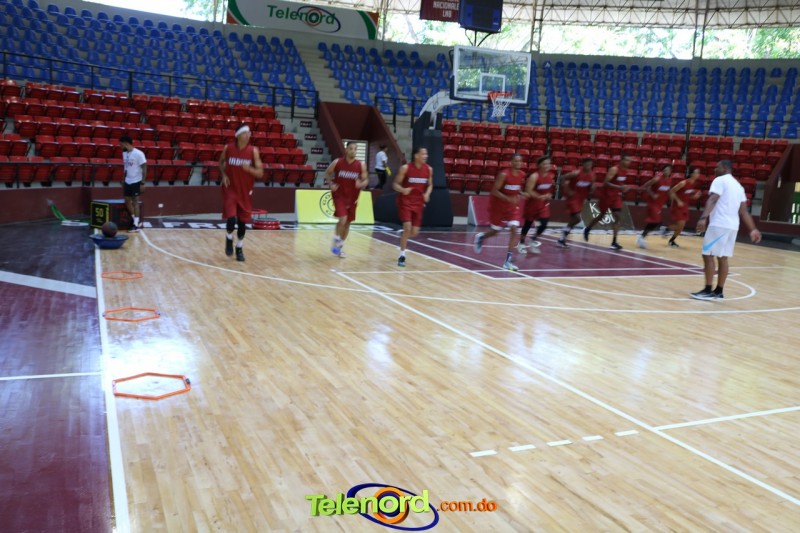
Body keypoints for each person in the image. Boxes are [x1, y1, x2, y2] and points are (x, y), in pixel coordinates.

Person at [691, 160, 761, 300]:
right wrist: (753, 229)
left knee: (708, 255)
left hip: (719, 224)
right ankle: (719, 291)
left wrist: (703, 217)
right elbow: (744, 212)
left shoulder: (719, 180)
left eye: (717, 167)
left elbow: (713, 199)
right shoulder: (738, 186)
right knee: (723, 258)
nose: (715, 169)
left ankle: (707, 290)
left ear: (724, 168)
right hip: (732, 226)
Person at [473, 154, 526, 271]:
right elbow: (495, 191)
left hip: (512, 207)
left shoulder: (522, 174)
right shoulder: (504, 174)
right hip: (498, 206)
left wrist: (521, 193)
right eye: (516, 161)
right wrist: (508, 198)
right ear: (511, 162)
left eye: (520, 161)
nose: (518, 163)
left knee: (514, 229)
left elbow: (517, 188)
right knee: (496, 231)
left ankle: (508, 261)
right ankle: (481, 237)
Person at [219, 124, 264, 262]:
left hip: (245, 191)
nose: (248, 135)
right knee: (231, 219)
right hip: (230, 189)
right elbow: (220, 163)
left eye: (249, 133)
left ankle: (239, 247)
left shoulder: (253, 151)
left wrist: (249, 169)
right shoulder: (228, 148)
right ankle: (228, 238)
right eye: (245, 133)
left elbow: (260, 173)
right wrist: (224, 175)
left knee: (242, 223)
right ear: (238, 135)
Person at [325, 141, 369, 258]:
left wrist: (361, 184)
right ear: (346, 150)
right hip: (339, 196)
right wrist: (330, 183)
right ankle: (336, 239)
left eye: (355, 149)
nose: (353, 151)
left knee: (347, 223)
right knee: (343, 219)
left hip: (353, 198)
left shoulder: (361, 165)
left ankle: (339, 247)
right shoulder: (337, 162)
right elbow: (327, 173)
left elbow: (366, 180)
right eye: (351, 148)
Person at [393, 147, 433, 267]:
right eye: (423, 154)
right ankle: (402, 256)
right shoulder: (405, 168)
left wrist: (427, 193)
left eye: (426, 154)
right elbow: (395, 184)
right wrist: (403, 190)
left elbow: (430, 185)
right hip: (405, 202)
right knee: (407, 227)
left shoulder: (429, 169)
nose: (426, 156)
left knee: (414, 232)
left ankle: (403, 236)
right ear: (416, 155)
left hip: (419, 203)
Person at [583, 154, 632, 250]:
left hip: (616, 196)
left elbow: (619, 182)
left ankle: (614, 241)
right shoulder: (614, 169)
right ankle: (588, 228)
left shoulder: (626, 171)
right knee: (601, 216)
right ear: (621, 160)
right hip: (606, 196)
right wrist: (620, 187)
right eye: (627, 160)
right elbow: (605, 183)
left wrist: (624, 187)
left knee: (618, 217)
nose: (629, 162)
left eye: (630, 161)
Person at [518, 155, 555, 254]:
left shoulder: (551, 176)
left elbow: (549, 190)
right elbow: (528, 190)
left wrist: (549, 195)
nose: (547, 165)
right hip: (532, 203)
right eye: (544, 164)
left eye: (548, 163)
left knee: (544, 223)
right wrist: (539, 196)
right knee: (528, 223)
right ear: (539, 165)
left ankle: (533, 239)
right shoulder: (534, 176)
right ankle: (521, 243)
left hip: (543, 204)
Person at [557, 158, 595, 248]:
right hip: (572, 198)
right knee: (577, 218)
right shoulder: (576, 173)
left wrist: (592, 190)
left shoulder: (592, 175)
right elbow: (562, 177)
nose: (589, 166)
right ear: (583, 165)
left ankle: (562, 238)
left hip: (581, 199)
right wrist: (567, 189)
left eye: (590, 165)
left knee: (574, 219)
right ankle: (564, 231)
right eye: (587, 164)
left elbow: (591, 187)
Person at [636, 164, 673, 249]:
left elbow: (668, 190)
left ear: (670, 172)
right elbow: (646, 186)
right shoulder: (657, 179)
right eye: (665, 170)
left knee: (654, 222)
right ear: (662, 171)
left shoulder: (670, 180)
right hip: (652, 203)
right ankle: (661, 229)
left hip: (660, 204)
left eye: (668, 170)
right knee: (656, 220)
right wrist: (652, 194)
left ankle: (642, 237)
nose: (666, 172)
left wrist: (671, 200)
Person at [667, 167, 703, 248]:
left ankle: (671, 240)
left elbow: (686, 196)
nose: (698, 174)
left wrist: (694, 197)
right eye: (697, 172)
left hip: (685, 207)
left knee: (681, 227)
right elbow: (671, 191)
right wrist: (678, 201)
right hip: (677, 206)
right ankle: (666, 229)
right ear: (692, 174)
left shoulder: (693, 183)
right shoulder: (683, 183)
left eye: (699, 173)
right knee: (680, 225)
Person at [120, 136, 146, 232]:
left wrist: (142, 183)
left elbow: (144, 168)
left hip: (136, 181)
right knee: (127, 201)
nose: (120, 146)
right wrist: (123, 179)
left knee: (135, 202)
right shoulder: (124, 153)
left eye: (121, 144)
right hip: (127, 181)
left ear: (126, 144)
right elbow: (126, 167)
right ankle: (136, 220)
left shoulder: (139, 154)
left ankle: (135, 225)